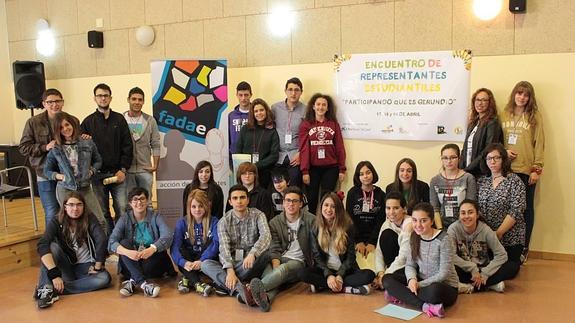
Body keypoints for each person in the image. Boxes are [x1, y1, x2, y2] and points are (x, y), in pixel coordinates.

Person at [34, 192, 111, 309]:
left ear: (84, 206)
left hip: (86, 266)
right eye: (71, 205)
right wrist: (54, 275)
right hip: (66, 267)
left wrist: (97, 266)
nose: (75, 208)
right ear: (65, 207)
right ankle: (46, 289)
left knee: (104, 278)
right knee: (52, 247)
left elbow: (101, 239)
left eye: (79, 204)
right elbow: (42, 244)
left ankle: (52, 289)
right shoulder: (56, 221)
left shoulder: (89, 218)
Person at [383, 202, 459, 318]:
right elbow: (410, 265)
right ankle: (425, 306)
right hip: (421, 280)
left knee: (433, 292)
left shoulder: (444, 239)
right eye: (414, 220)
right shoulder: (414, 236)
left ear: (432, 221)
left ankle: (400, 294)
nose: (418, 225)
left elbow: (444, 274)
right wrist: (411, 280)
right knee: (387, 279)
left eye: (423, 220)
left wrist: (419, 284)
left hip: (444, 286)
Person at [247, 186, 315, 312]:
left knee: (282, 270)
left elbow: (316, 246)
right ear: (283, 203)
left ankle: (249, 293)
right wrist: (276, 266)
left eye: (295, 201)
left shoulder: (311, 220)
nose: (291, 204)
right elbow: (274, 247)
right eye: (288, 200)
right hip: (279, 258)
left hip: (299, 262)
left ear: (300, 204)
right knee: (274, 277)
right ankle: (265, 298)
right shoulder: (274, 222)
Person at [201, 185, 271, 303]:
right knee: (205, 265)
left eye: (242, 197)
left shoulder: (258, 215)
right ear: (230, 201)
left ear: (248, 200)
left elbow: (266, 236)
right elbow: (224, 247)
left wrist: (253, 253)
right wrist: (229, 270)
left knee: (265, 255)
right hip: (233, 263)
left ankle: (227, 284)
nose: (239, 201)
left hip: (251, 263)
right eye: (235, 198)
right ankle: (241, 291)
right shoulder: (224, 221)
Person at [500, 81, 544, 261]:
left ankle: (524, 248)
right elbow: (497, 140)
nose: (522, 97)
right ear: (514, 94)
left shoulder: (535, 116)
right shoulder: (503, 114)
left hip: (526, 170)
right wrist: (503, 153)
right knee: (505, 208)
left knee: (526, 210)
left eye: (526, 95)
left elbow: (540, 143)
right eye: (519, 93)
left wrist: (537, 169)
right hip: (506, 170)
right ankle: (506, 246)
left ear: (530, 98)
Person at [299, 192, 375, 295]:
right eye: (326, 205)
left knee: (369, 275)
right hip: (324, 270)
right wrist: (329, 275)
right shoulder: (315, 227)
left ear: (338, 209)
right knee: (302, 273)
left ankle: (325, 285)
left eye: (333, 206)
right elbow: (317, 257)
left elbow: (351, 257)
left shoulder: (348, 226)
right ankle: (346, 288)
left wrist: (339, 275)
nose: (328, 209)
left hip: (345, 271)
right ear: (321, 207)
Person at [81, 83, 133, 233]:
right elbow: (82, 151)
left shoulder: (119, 119)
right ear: (94, 98)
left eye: (105, 95)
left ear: (111, 98)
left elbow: (127, 146)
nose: (103, 98)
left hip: (118, 174)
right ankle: (110, 243)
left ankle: (122, 240)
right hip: (97, 176)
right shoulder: (87, 122)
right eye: (99, 95)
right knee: (103, 213)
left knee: (122, 209)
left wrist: (123, 169)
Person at [43, 112, 106, 234]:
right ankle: (75, 250)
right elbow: (47, 170)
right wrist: (59, 176)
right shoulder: (56, 147)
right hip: (65, 189)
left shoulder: (87, 141)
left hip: (85, 188)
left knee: (100, 220)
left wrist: (92, 171)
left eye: (67, 124)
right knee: (72, 222)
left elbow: (98, 160)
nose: (65, 129)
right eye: (61, 127)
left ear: (72, 124)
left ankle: (102, 250)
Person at [108, 187, 174, 298]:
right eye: (135, 199)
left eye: (142, 199)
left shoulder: (156, 216)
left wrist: (152, 248)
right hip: (132, 261)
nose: (139, 202)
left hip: (152, 262)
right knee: (124, 243)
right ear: (130, 203)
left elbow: (168, 236)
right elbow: (111, 242)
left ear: (148, 201)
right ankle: (144, 285)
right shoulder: (124, 219)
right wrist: (127, 252)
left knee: (159, 249)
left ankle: (133, 282)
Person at [448, 199, 518, 294]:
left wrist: (485, 273)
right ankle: (490, 285)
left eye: (470, 212)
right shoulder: (453, 229)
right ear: (459, 216)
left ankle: (469, 286)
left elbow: (502, 255)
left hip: (484, 269)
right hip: (464, 269)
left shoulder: (486, 230)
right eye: (463, 213)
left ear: (477, 215)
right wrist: (471, 268)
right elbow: (450, 255)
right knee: (448, 268)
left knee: (513, 267)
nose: (467, 216)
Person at [19, 88, 64, 224]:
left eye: (57, 101)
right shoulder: (33, 122)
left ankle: (68, 243)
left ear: (62, 102)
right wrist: (45, 147)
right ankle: (52, 244)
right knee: (51, 211)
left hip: (66, 173)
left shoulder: (71, 120)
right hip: (44, 173)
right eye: (50, 102)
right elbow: (24, 147)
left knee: (68, 210)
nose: (54, 105)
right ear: (44, 104)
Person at [477, 143, 526, 265]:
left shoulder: (514, 181)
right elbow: (476, 208)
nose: (492, 162)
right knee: (482, 265)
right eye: (489, 158)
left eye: (496, 158)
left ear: (504, 159)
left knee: (508, 267)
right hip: (486, 237)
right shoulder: (482, 181)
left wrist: (498, 234)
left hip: (510, 237)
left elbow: (516, 211)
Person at [299, 93, 346, 214]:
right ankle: (314, 225)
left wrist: (342, 169)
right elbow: (303, 148)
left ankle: (325, 224)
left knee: (327, 199)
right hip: (312, 168)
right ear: (313, 107)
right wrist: (305, 170)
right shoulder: (306, 124)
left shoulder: (334, 124)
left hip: (331, 167)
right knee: (312, 198)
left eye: (324, 105)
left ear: (327, 107)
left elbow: (340, 147)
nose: (321, 107)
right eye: (318, 104)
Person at [171, 189, 219, 297]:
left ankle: (187, 279)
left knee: (213, 243)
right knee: (181, 249)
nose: (197, 209)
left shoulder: (214, 221)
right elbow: (175, 248)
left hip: (205, 260)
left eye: (201, 206)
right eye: (194, 206)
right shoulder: (182, 223)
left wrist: (201, 260)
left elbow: (216, 244)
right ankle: (198, 284)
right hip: (188, 262)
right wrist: (183, 262)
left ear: (206, 206)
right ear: (189, 207)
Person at [123, 87, 160, 203]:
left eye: (140, 99)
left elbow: (156, 144)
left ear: (143, 101)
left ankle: (148, 222)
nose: (137, 102)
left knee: (147, 203)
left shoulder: (150, 121)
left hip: (145, 170)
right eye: (134, 99)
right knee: (129, 204)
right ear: (128, 100)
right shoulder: (120, 119)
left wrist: (155, 166)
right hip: (127, 170)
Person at [430, 144, 477, 229]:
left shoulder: (468, 178)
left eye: (453, 157)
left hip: (463, 225)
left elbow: (470, 206)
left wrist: (456, 229)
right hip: (441, 225)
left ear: (459, 158)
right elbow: (435, 209)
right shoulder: (435, 180)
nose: (449, 161)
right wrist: (440, 230)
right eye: (445, 158)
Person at [236, 98, 280, 189]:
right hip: (246, 172)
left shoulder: (272, 131)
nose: (259, 113)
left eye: (261, 110)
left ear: (266, 111)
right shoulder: (245, 128)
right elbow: (238, 148)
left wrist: (256, 165)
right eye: (256, 111)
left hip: (264, 172)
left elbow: (274, 155)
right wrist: (246, 167)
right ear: (252, 113)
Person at [345, 161, 386, 259]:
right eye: (361, 174)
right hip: (356, 238)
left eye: (368, 172)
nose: (365, 176)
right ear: (358, 177)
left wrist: (372, 242)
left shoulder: (381, 195)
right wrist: (358, 241)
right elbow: (349, 218)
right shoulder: (352, 193)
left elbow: (381, 220)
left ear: (373, 173)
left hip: (375, 238)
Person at [271, 77, 306, 188]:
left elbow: (308, 135)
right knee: (276, 188)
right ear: (285, 91)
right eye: (290, 89)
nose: (293, 93)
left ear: (301, 92)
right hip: (278, 156)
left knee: (294, 188)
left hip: (295, 156)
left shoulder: (306, 110)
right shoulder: (275, 108)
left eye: (296, 90)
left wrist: (301, 153)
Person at [460, 88, 503, 177]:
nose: (480, 103)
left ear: (489, 103)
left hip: (481, 172)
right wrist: (461, 168)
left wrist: (468, 169)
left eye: (484, 100)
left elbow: (488, 150)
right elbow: (465, 149)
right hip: (467, 171)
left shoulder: (492, 122)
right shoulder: (473, 122)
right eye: (478, 100)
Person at [373, 192, 412, 290]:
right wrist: (380, 273)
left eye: (396, 208)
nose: (391, 212)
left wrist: (386, 274)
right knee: (386, 234)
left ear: (404, 209)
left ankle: (390, 280)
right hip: (394, 266)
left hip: (410, 265)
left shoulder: (410, 224)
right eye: (388, 208)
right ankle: (389, 280)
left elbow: (404, 256)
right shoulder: (386, 224)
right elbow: (379, 251)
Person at [228, 81, 252, 169]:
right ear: (236, 95)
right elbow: (228, 138)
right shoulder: (231, 116)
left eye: (246, 95)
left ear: (250, 95)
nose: (243, 98)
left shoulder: (256, 114)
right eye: (240, 95)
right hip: (235, 157)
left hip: (252, 157)